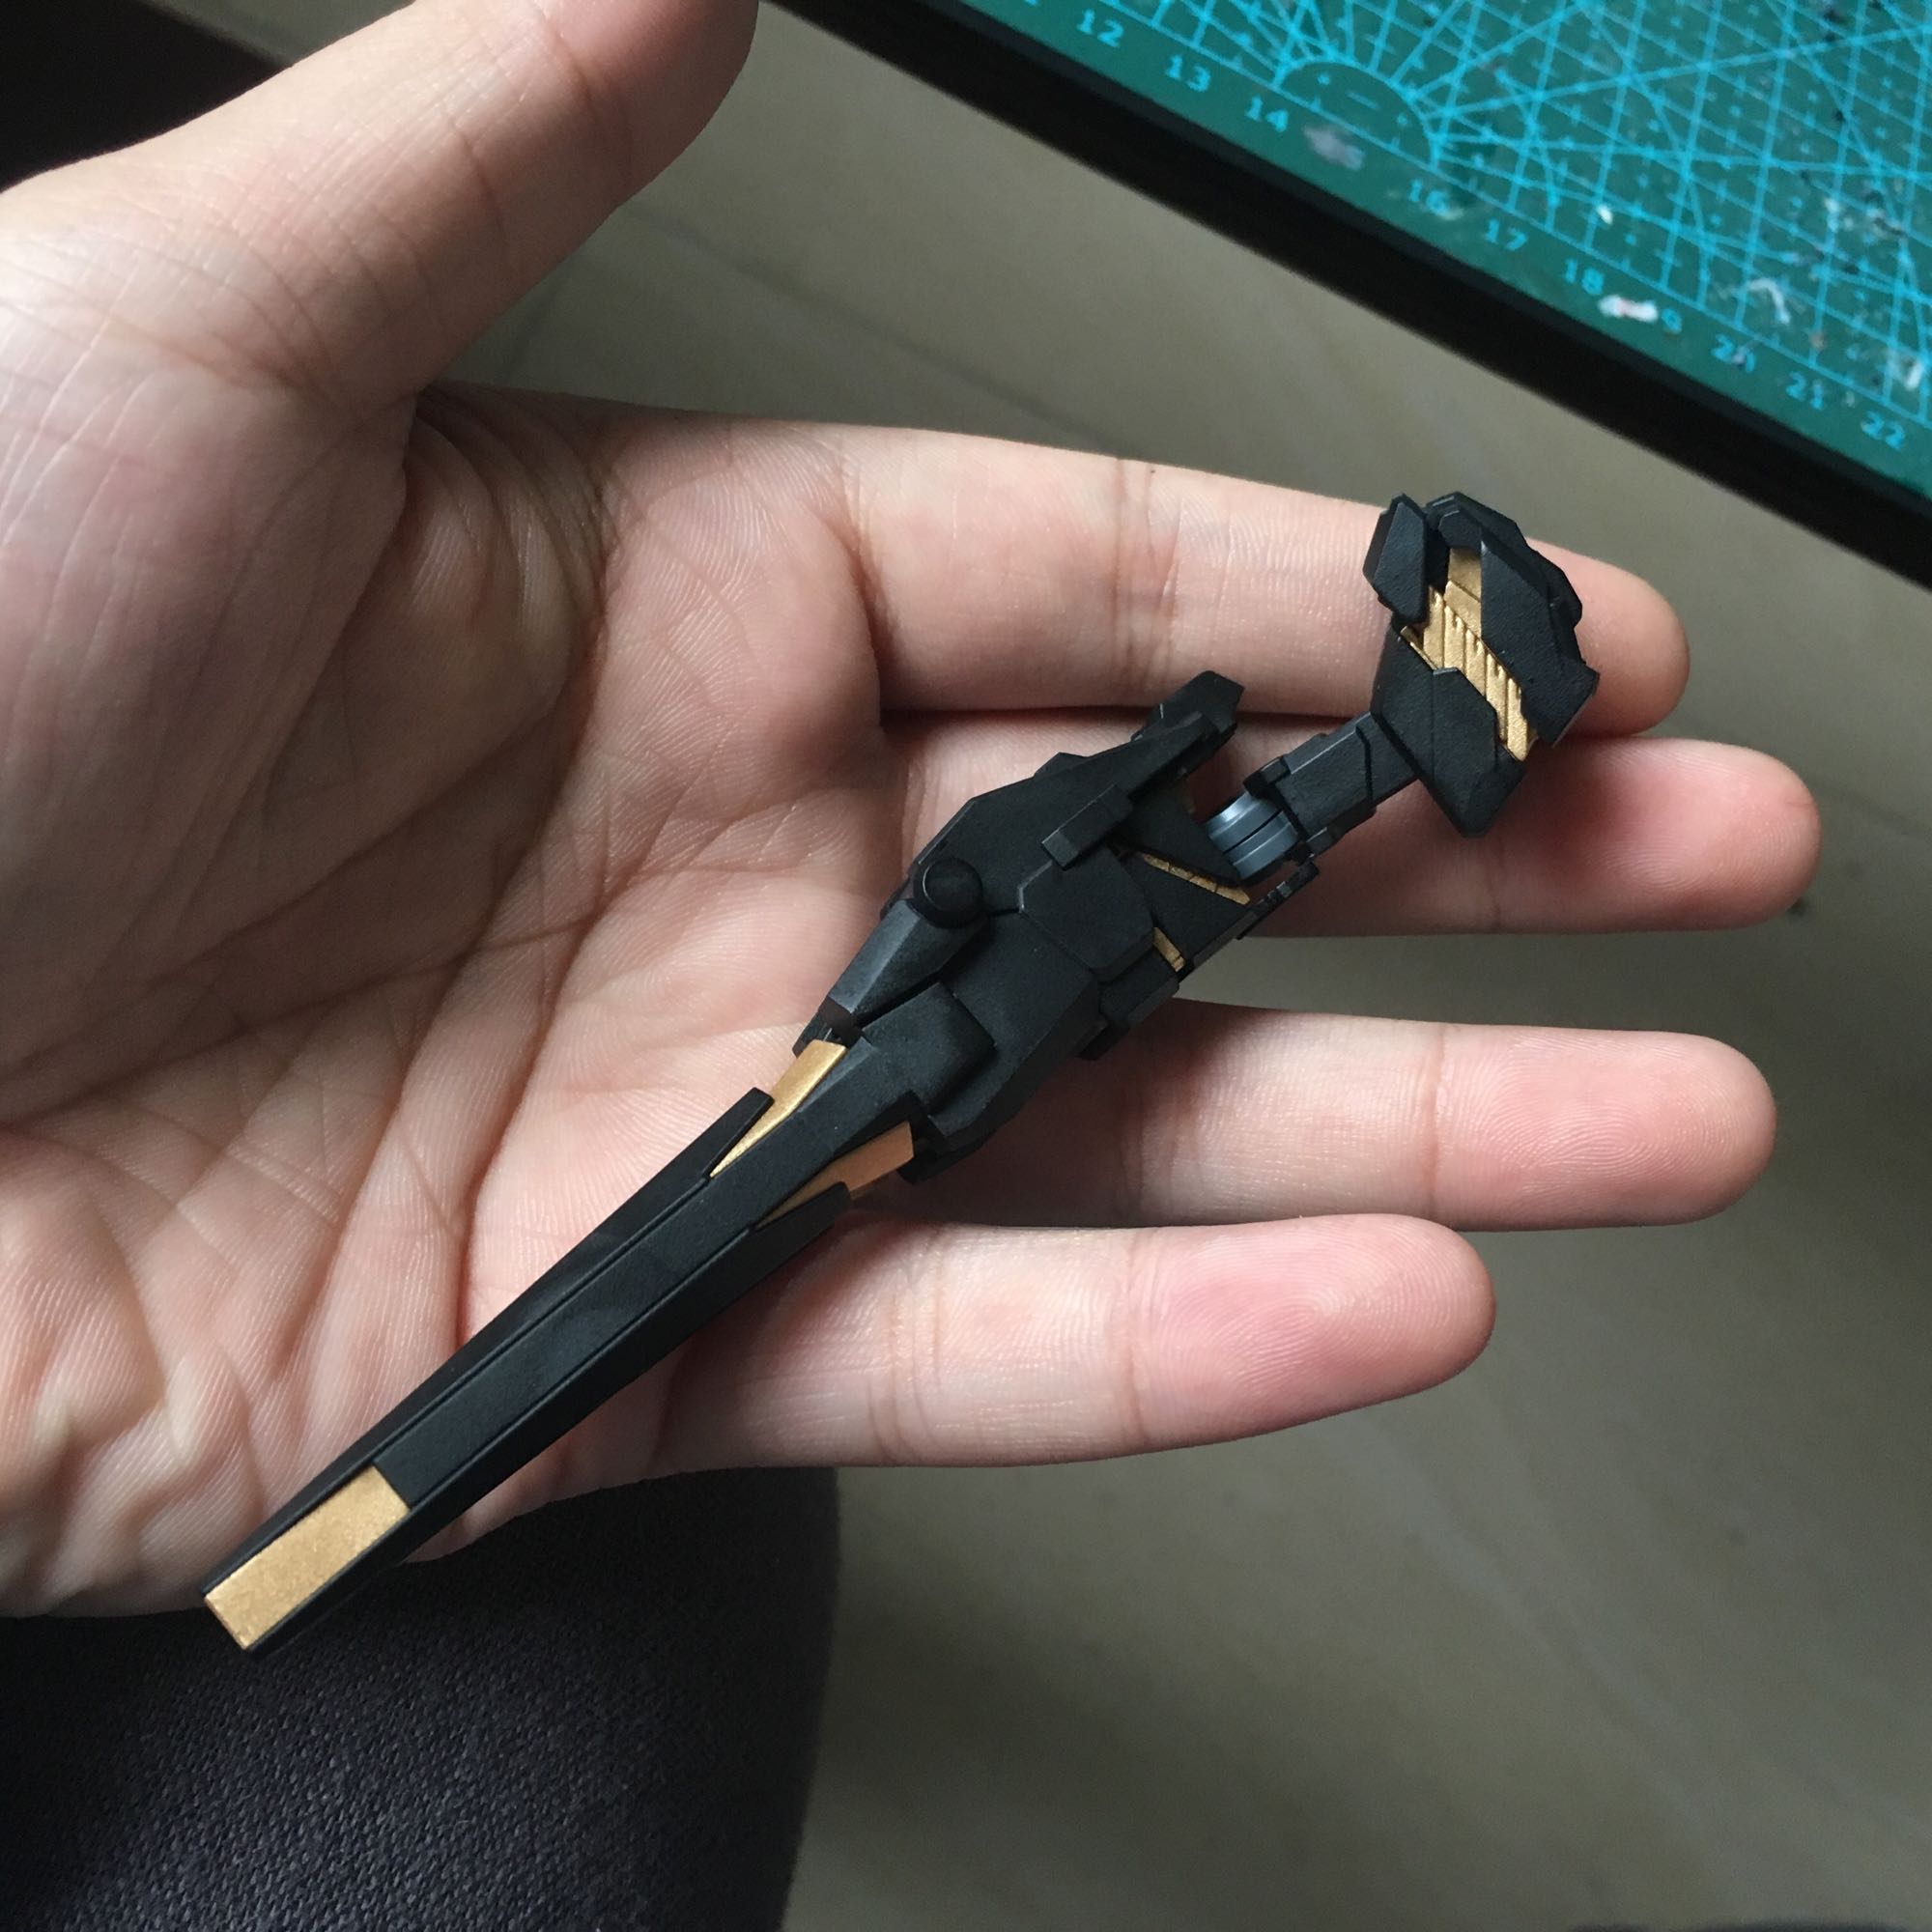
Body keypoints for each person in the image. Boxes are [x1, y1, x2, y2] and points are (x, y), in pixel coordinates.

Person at [0, 0, 1818, 1923]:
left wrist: (1109, 818)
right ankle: (1409, 713)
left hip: (1005, 1009)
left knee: (1202, 886)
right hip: (952, 1030)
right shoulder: (936, 972)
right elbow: (951, 906)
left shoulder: (1008, 945)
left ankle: (1426, 704)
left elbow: (965, 909)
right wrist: (1054, 851)